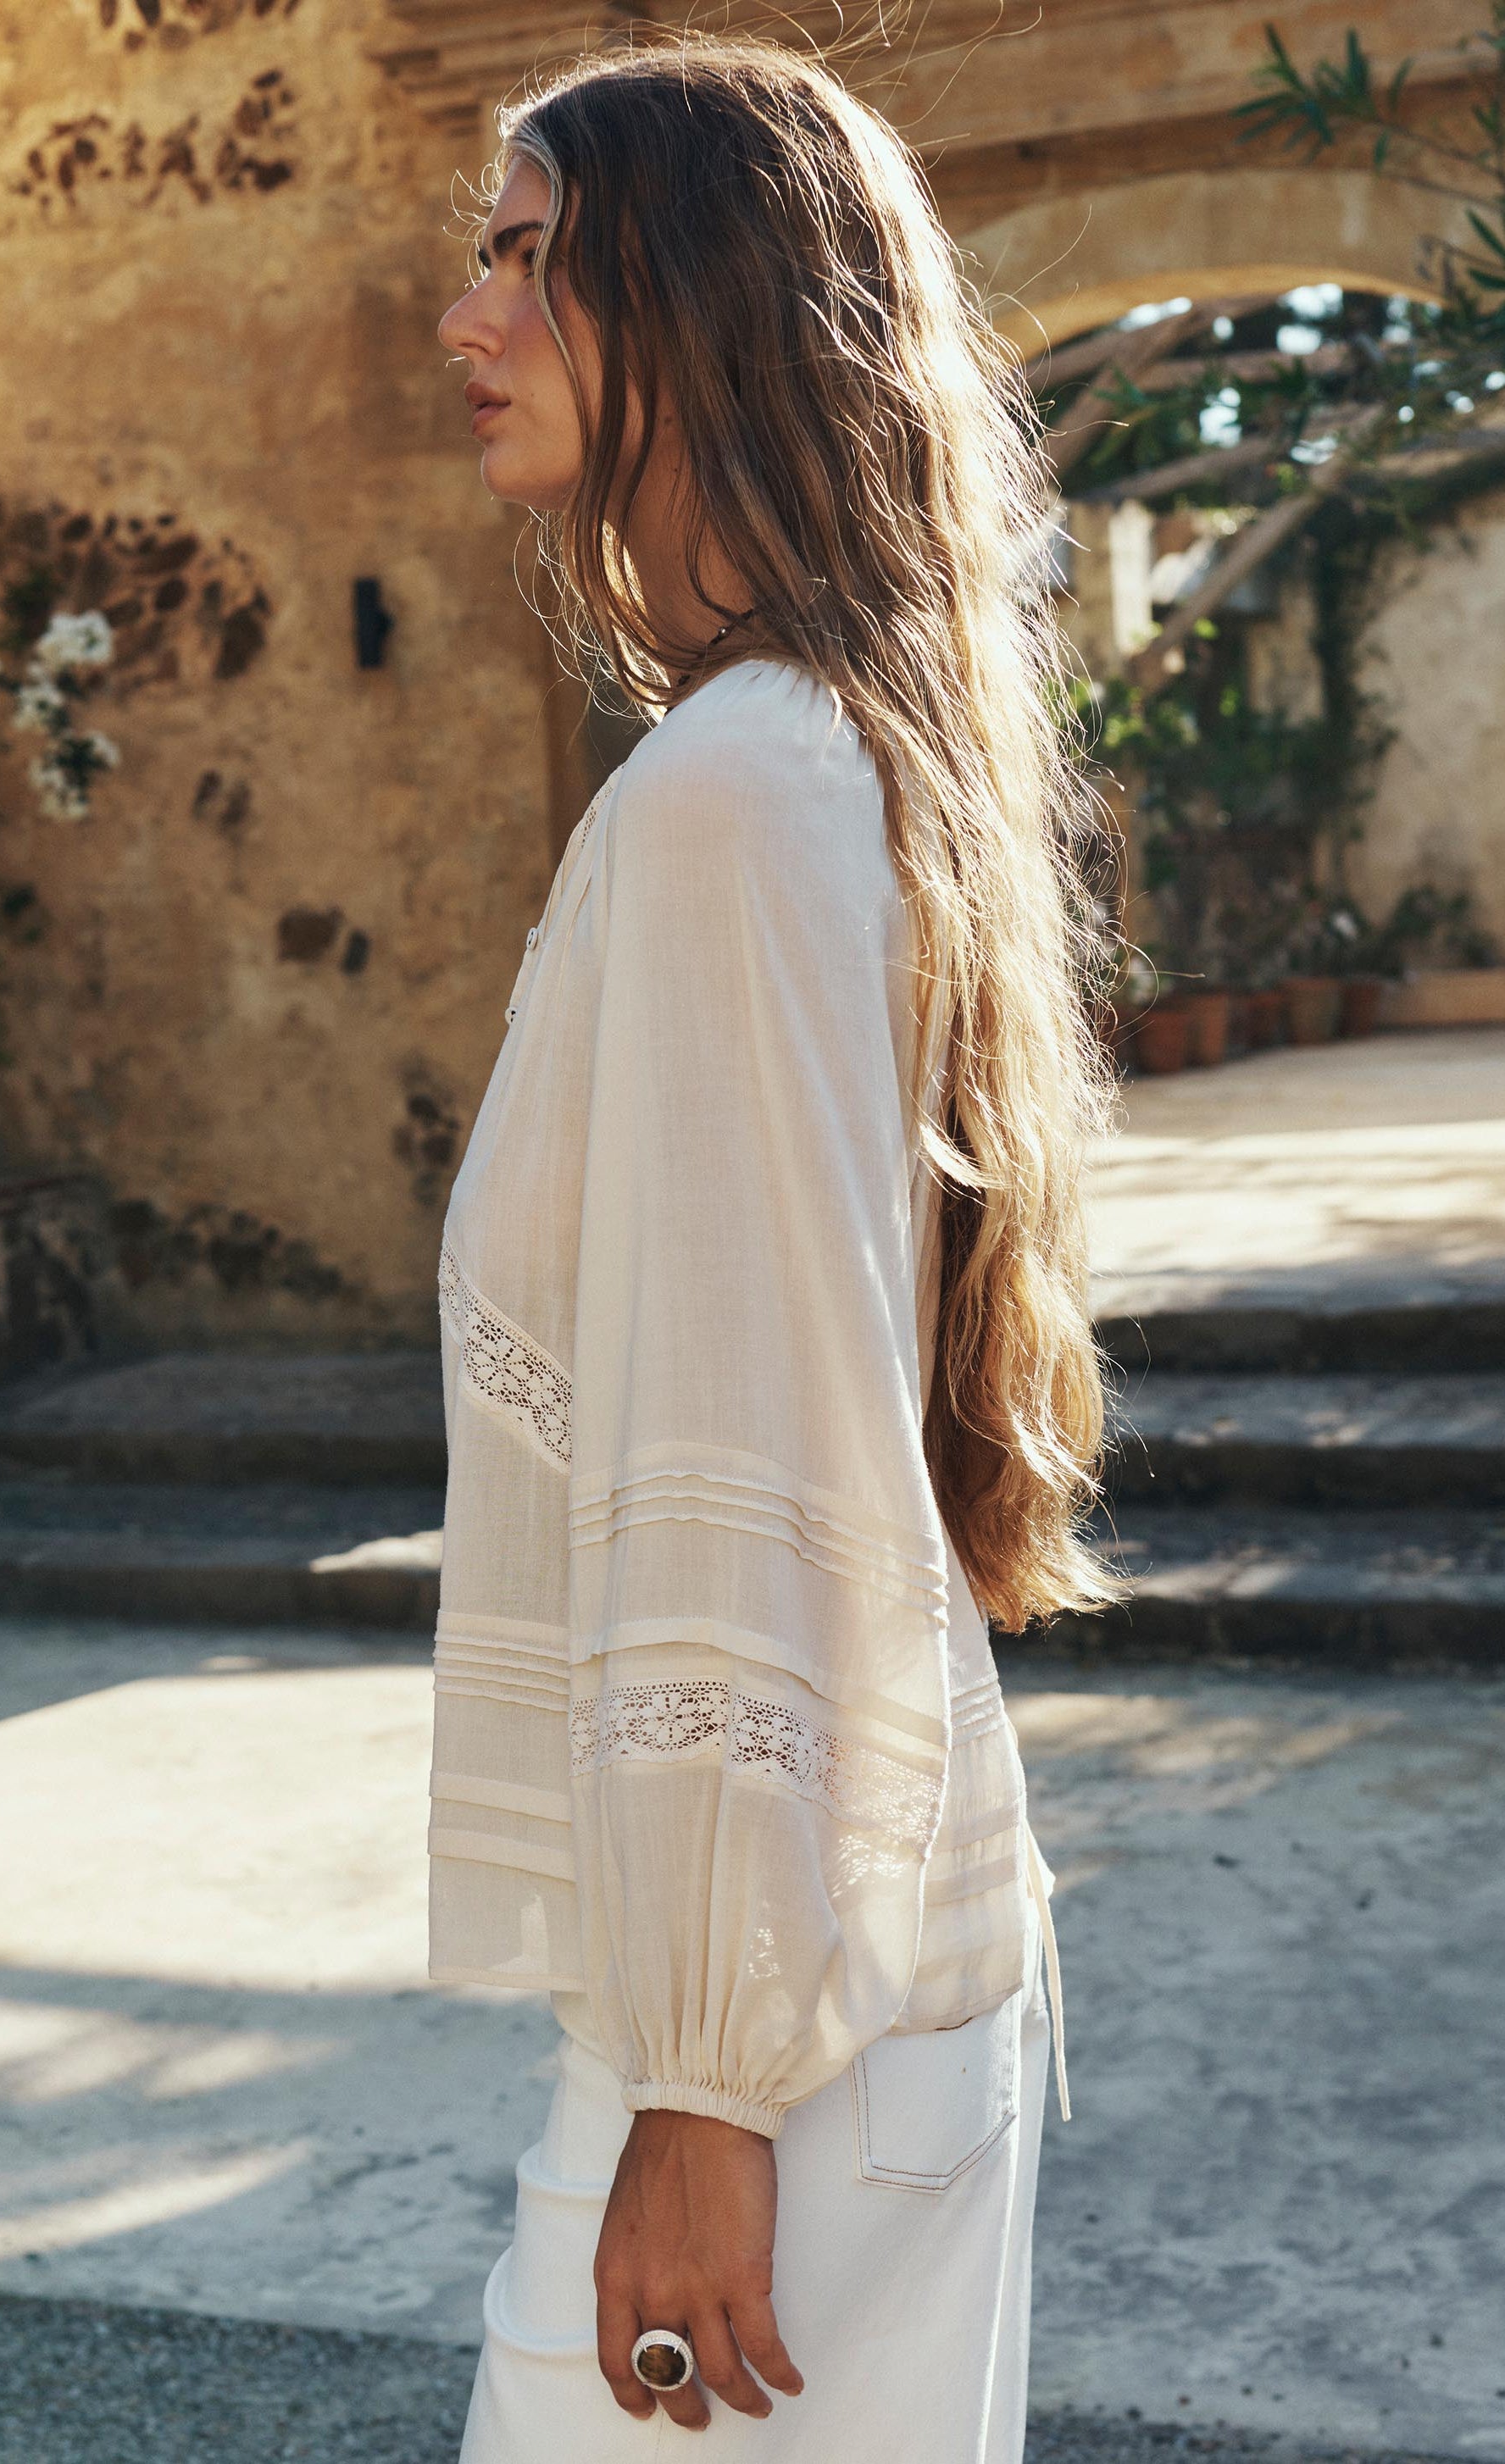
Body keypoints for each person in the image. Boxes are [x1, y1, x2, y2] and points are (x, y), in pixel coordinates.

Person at [431, 32, 1115, 2459]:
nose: (465, 321)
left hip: (771, 2051)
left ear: (698, 301)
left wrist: (703, 2088)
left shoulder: (729, 799)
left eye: (525, 255)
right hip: (858, 1959)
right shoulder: (830, 754)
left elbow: (744, 1420)